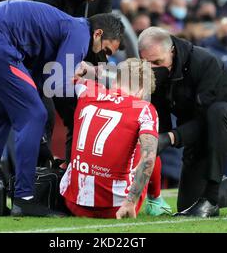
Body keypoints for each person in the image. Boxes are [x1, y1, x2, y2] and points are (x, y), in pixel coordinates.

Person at [0, 0, 124, 217]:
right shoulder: (81, 31)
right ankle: (25, 198)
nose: (105, 57)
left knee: (0, 118)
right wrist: (95, 91)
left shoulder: (63, 28)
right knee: (34, 115)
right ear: (98, 34)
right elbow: (58, 84)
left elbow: (44, 81)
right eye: (107, 50)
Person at [138, 27, 227, 218]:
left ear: (171, 51)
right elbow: (161, 123)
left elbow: (207, 118)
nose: (153, 68)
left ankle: (211, 200)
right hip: (200, 132)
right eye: (147, 63)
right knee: (187, 205)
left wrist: (171, 138)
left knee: (218, 111)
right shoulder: (155, 75)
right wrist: (155, 140)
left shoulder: (204, 61)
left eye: (157, 62)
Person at [32, 0, 114, 162]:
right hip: (43, 63)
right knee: (42, 118)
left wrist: (96, 67)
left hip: (79, 61)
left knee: (82, 116)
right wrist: (69, 67)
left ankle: (74, 176)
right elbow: (38, 39)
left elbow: (100, 31)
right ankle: (38, 181)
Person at [60, 58, 159, 219]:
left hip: (73, 203)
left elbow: (71, 76)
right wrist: (130, 202)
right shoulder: (144, 108)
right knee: (148, 146)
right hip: (115, 208)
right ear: (141, 90)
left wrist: (87, 69)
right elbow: (148, 159)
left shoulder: (88, 90)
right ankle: (157, 199)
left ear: (116, 81)